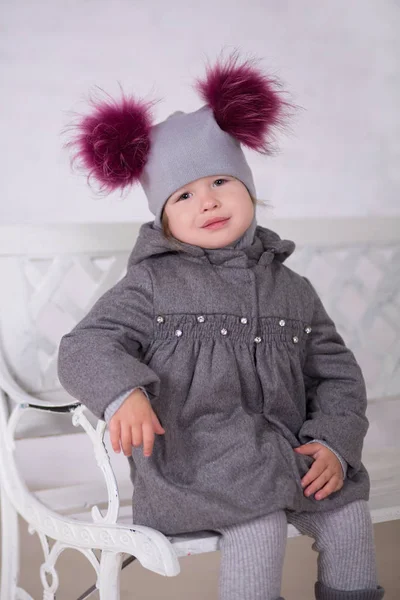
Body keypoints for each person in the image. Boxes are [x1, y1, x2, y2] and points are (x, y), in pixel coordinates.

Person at [58, 53, 384, 600]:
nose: (206, 200)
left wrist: (333, 441)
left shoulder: (292, 288)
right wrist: (123, 394)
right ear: (163, 217)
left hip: (288, 456)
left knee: (348, 514)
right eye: (183, 195)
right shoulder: (153, 286)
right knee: (256, 526)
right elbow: (83, 346)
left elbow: (337, 374)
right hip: (198, 463)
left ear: (248, 191)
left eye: (219, 182)